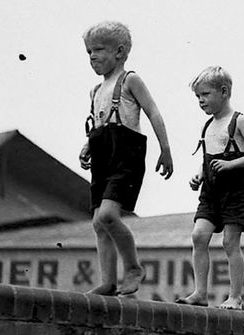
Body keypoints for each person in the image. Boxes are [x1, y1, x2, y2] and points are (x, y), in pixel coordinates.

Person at [79, 21, 174, 296]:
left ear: (119, 52)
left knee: (109, 215)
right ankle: (108, 281)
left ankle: (132, 267)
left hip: (126, 155)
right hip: (103, 155)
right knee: (98, 222)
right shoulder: (95, 91)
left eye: (98, 50)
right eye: (88, 52)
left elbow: (154, 112)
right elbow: (99, 125)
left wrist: (165, 148)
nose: (92, 57)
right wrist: (88, 145)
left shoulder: (130, 80)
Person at [176, 66, 244, 309]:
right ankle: (200, 292)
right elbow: (207, 157)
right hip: (211, 192)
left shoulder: (239, 121)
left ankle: (235, 297)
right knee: (198, 236)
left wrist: (231, 165)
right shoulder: (208, 126)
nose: (200, 101)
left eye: (204, 95)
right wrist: (198, 176)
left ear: (224, 92)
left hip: (235, 191)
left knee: (230, 242)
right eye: (197, 97)